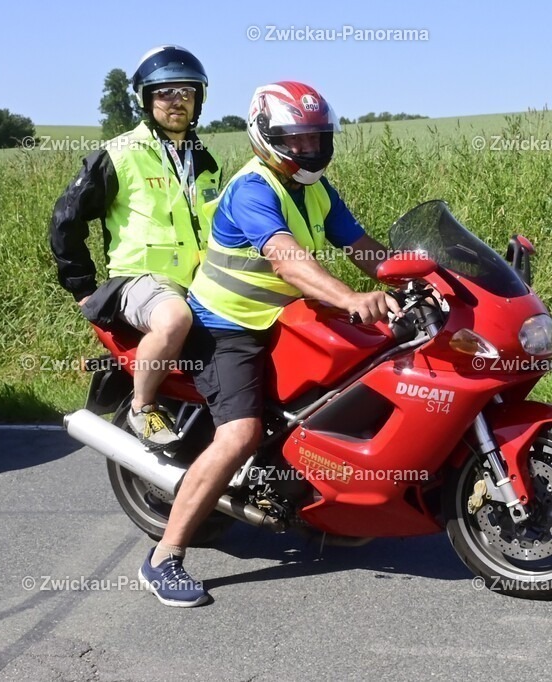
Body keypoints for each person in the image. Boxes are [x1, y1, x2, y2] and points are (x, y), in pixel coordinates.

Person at [137, 81, 402, 607]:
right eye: (295, 140)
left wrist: (422, 280)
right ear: (265, 137)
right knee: (239, 435)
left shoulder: (316, 189)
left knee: (357, 376)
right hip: (225, 327)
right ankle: (165, 556)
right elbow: (286, 258)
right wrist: (350, 298)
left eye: (314, 139)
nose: (307, 150)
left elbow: (362, 247)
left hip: (281, 317)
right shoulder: (254, 187)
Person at [49, 45, 221, 446]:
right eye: (165, 92)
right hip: (140, 281)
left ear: (199, 98)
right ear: (147, 98)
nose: (177, 101)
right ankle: (143, 408)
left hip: (200, 282)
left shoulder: (204, 159)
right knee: (174, 319)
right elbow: (65, 219)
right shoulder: (119, 154)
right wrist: (83, 288)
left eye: (186, 92)